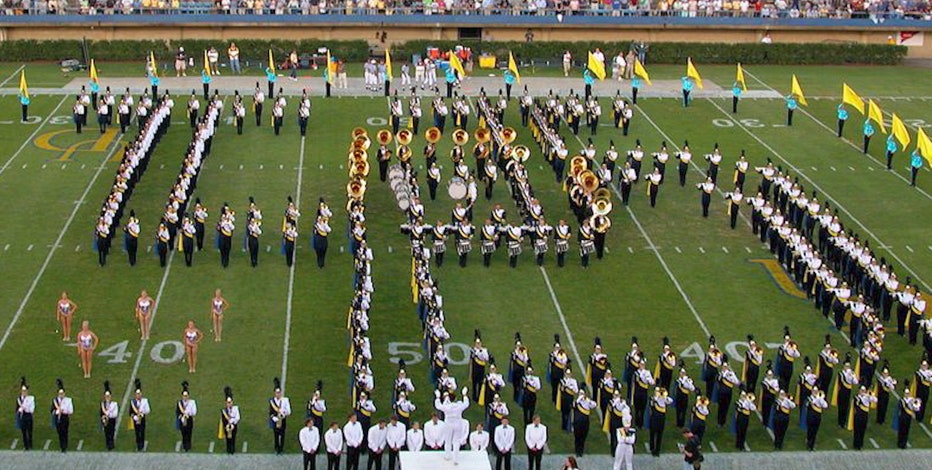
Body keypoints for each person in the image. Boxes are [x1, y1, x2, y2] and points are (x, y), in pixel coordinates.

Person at [435, 387, 470, 463]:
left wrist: (437, 397)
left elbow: (438, 406)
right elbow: (466, 404)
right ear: (456, 399)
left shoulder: (446, 406)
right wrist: (464, 395)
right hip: (457, 423)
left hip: (448, 424)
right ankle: (456, 458)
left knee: (448, 440)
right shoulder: (459, 405)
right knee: (456, 441)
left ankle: (447, 455)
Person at [269, 378, 292, 454]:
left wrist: (283, 413)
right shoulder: (272, 401)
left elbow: (289, 411)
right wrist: (274, 418)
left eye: (279, 392)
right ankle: (276, 448)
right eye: (276, 392)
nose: (278, 394)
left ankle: (281, 448)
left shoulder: (285, 400)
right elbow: (270, 412)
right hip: (275, 420)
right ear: (274, 393)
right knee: (276, 435)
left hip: (283, 419)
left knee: (282, 435)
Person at [50, 379, 73, 453]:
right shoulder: (55, 401)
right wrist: (57, 411)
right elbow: (52, 410)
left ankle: (65, 446)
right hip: (57, 418)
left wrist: (64, 411)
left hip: (64, 418)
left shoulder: (68, 400)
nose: (61, 395)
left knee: (65, 432)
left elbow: (71, 411)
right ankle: (61, 446)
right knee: (59, 433)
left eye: (62, 393)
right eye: (60, 394)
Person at [129, 379, 150, 452]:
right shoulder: (133, 402)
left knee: (142, 431)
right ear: (135, 395)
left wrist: (141, 413)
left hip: (142, 418)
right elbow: (130, 412)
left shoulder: (145, 401)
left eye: (140, 394)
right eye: (137, 394)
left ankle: (142, 444)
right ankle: (138, 445)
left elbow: (148, 410)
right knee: (137, 432)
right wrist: (134, 417)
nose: (139, 395)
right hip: (135, 419)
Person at [176, 382, 197, 452]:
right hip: (182, 419)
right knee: (183, 433)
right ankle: (185, 446)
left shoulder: (192, 402)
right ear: (182, 396)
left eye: (186, 396)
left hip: (189, 419)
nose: (185, 397)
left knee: (189, 433)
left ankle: (189, 446)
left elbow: (194, 412)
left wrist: (187, 414)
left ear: (188, 396)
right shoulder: (180, 403)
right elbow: (178, 411)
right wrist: (181, 416)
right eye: (184, 396)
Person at [16, 377, 35, 451]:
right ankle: (26, 446)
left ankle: (30, 444)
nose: (24, 392)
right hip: (22, 417)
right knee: (23, 432)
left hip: (28, 416)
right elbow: (16, 409)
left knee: (29, 431)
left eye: (25, 391)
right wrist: (19, 410)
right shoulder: (18, 399)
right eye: (23, 391)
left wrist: (26, 409)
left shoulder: (30, 398)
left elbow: (32, 409)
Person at [219, 387, 240, 454]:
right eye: (228, 402)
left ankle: (233, 449)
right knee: (228, 439)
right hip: (227, 427)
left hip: (234, 426)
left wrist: (232, 422)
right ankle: (228, 449)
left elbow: (238, 417)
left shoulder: (235, 409)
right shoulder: (224, 411)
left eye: (230, 402)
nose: (229, 404)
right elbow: (223, 419)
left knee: (233, 438)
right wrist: (227, 425)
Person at [99, 381, 118, 451]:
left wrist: (108, 415)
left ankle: (111, 444)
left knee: (112, 432)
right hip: (105, 420)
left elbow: (115, 414)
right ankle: (108, 444)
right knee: (106, 433)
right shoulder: (102, 404)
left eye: (108, 396)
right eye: (106, 396)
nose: (107, 397)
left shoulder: (114, 404)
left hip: (112, 420)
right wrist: (103, 418)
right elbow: (101, 412)